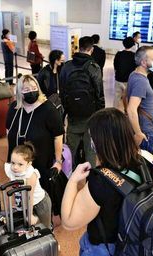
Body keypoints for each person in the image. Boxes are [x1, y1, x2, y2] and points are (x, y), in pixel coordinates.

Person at [61, 108, 143, 256]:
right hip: (132, 246)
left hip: (105, 251)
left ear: (99, 143)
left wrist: (73, 180)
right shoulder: (144, 164)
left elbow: (68, 221)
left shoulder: (101, 181)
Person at [6, 74, 64, 195]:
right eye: (26, 89)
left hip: (41, 165)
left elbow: (58, 135)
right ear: (19, 91)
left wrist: (58, 161)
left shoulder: (48, 109)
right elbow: (9, 132)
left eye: (34, 88)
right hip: (18, 166)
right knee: (20, 196)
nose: (31, 91)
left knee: (39, 198)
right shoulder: (14, 108)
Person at [60, 36, 105, 167]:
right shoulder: (94, 67)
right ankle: (89, 181)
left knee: (69, 151)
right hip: (90, 117)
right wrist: (100, 116)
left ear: (78, 48)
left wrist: (64, 114)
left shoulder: (66, 66)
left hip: (73, 116)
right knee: (90, 151)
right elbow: (99, 95)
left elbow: (62, 92)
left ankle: (67, 178)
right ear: (91, 50)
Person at [4, 142, 52, 228]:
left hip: (40, 203)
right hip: (26, 202)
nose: (15, 167)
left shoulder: (30, 175)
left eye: (20, 164)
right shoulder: (11, 170)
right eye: (13, 162)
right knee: (30, 227)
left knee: (44, 227)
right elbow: (14, 187)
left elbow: (30, 196)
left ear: (29, 164)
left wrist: (30, 215)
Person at [126, 46, 153, 158]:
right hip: (145, 132)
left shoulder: (135, 74)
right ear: (143, 62)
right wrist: (138, 133)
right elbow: (131, 109)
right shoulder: (140, 81)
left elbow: (125, 95)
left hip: (149, 128)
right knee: (147, 164)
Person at [113, 36, 136, 112]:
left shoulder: (119, 54)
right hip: (128, 80)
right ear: (133, 45)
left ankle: (114, 113)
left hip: (118, 79)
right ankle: (127, 111)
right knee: (128, 97)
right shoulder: (134, 56)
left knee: (116, 97)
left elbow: (115, 65)